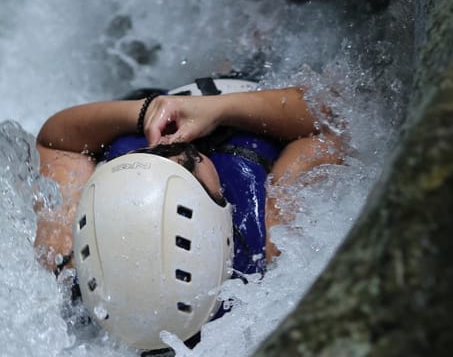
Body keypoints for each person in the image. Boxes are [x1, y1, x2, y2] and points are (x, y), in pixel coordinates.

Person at [33, 78, 345, 351]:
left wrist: (147, 111)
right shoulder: (270, 238)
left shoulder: (71, 263)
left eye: (146, 157)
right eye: (189, 164)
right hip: (259, 94)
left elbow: (55, 144)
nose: (172, 143)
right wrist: (219, 109)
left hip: (135, 105)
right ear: (217, 222)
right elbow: (331, 120)